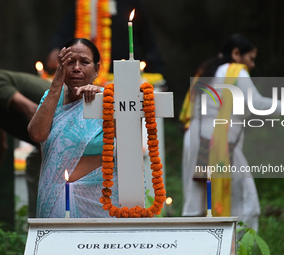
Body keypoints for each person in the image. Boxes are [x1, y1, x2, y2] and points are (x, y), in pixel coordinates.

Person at [180, 34, 284, 231]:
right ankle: (238, 247)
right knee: (244, 199)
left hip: (195, 140)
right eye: (251, 58)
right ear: (236, 53)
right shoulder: (234, 71)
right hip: (219, 144)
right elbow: (256, 104)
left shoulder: (206, 70)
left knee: (196, 201)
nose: (253, 65)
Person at [28, 38, 118, 218]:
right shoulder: (52, 97)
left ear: (96, 69)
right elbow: (37, 134)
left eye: (84, 62)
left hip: (101, 200)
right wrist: (56, 83)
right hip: (57, 198)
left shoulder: (107, 100)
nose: (77, 68)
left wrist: (103, 99)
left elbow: (126, 143)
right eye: (70, 62)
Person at [46, 0, 164, 75]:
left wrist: (155, 66)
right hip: (87, 72)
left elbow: (147, 37)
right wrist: (55, 48)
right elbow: (64, 30)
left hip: (121, 71)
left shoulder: (129, 3)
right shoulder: (81, 3)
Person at [0, 69, 50, 218]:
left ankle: (42, 228)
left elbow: (33, 111)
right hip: (47, 136)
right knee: (34, 164)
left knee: (40, 171)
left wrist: (50, 165)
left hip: (58, 131)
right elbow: (2, 146)